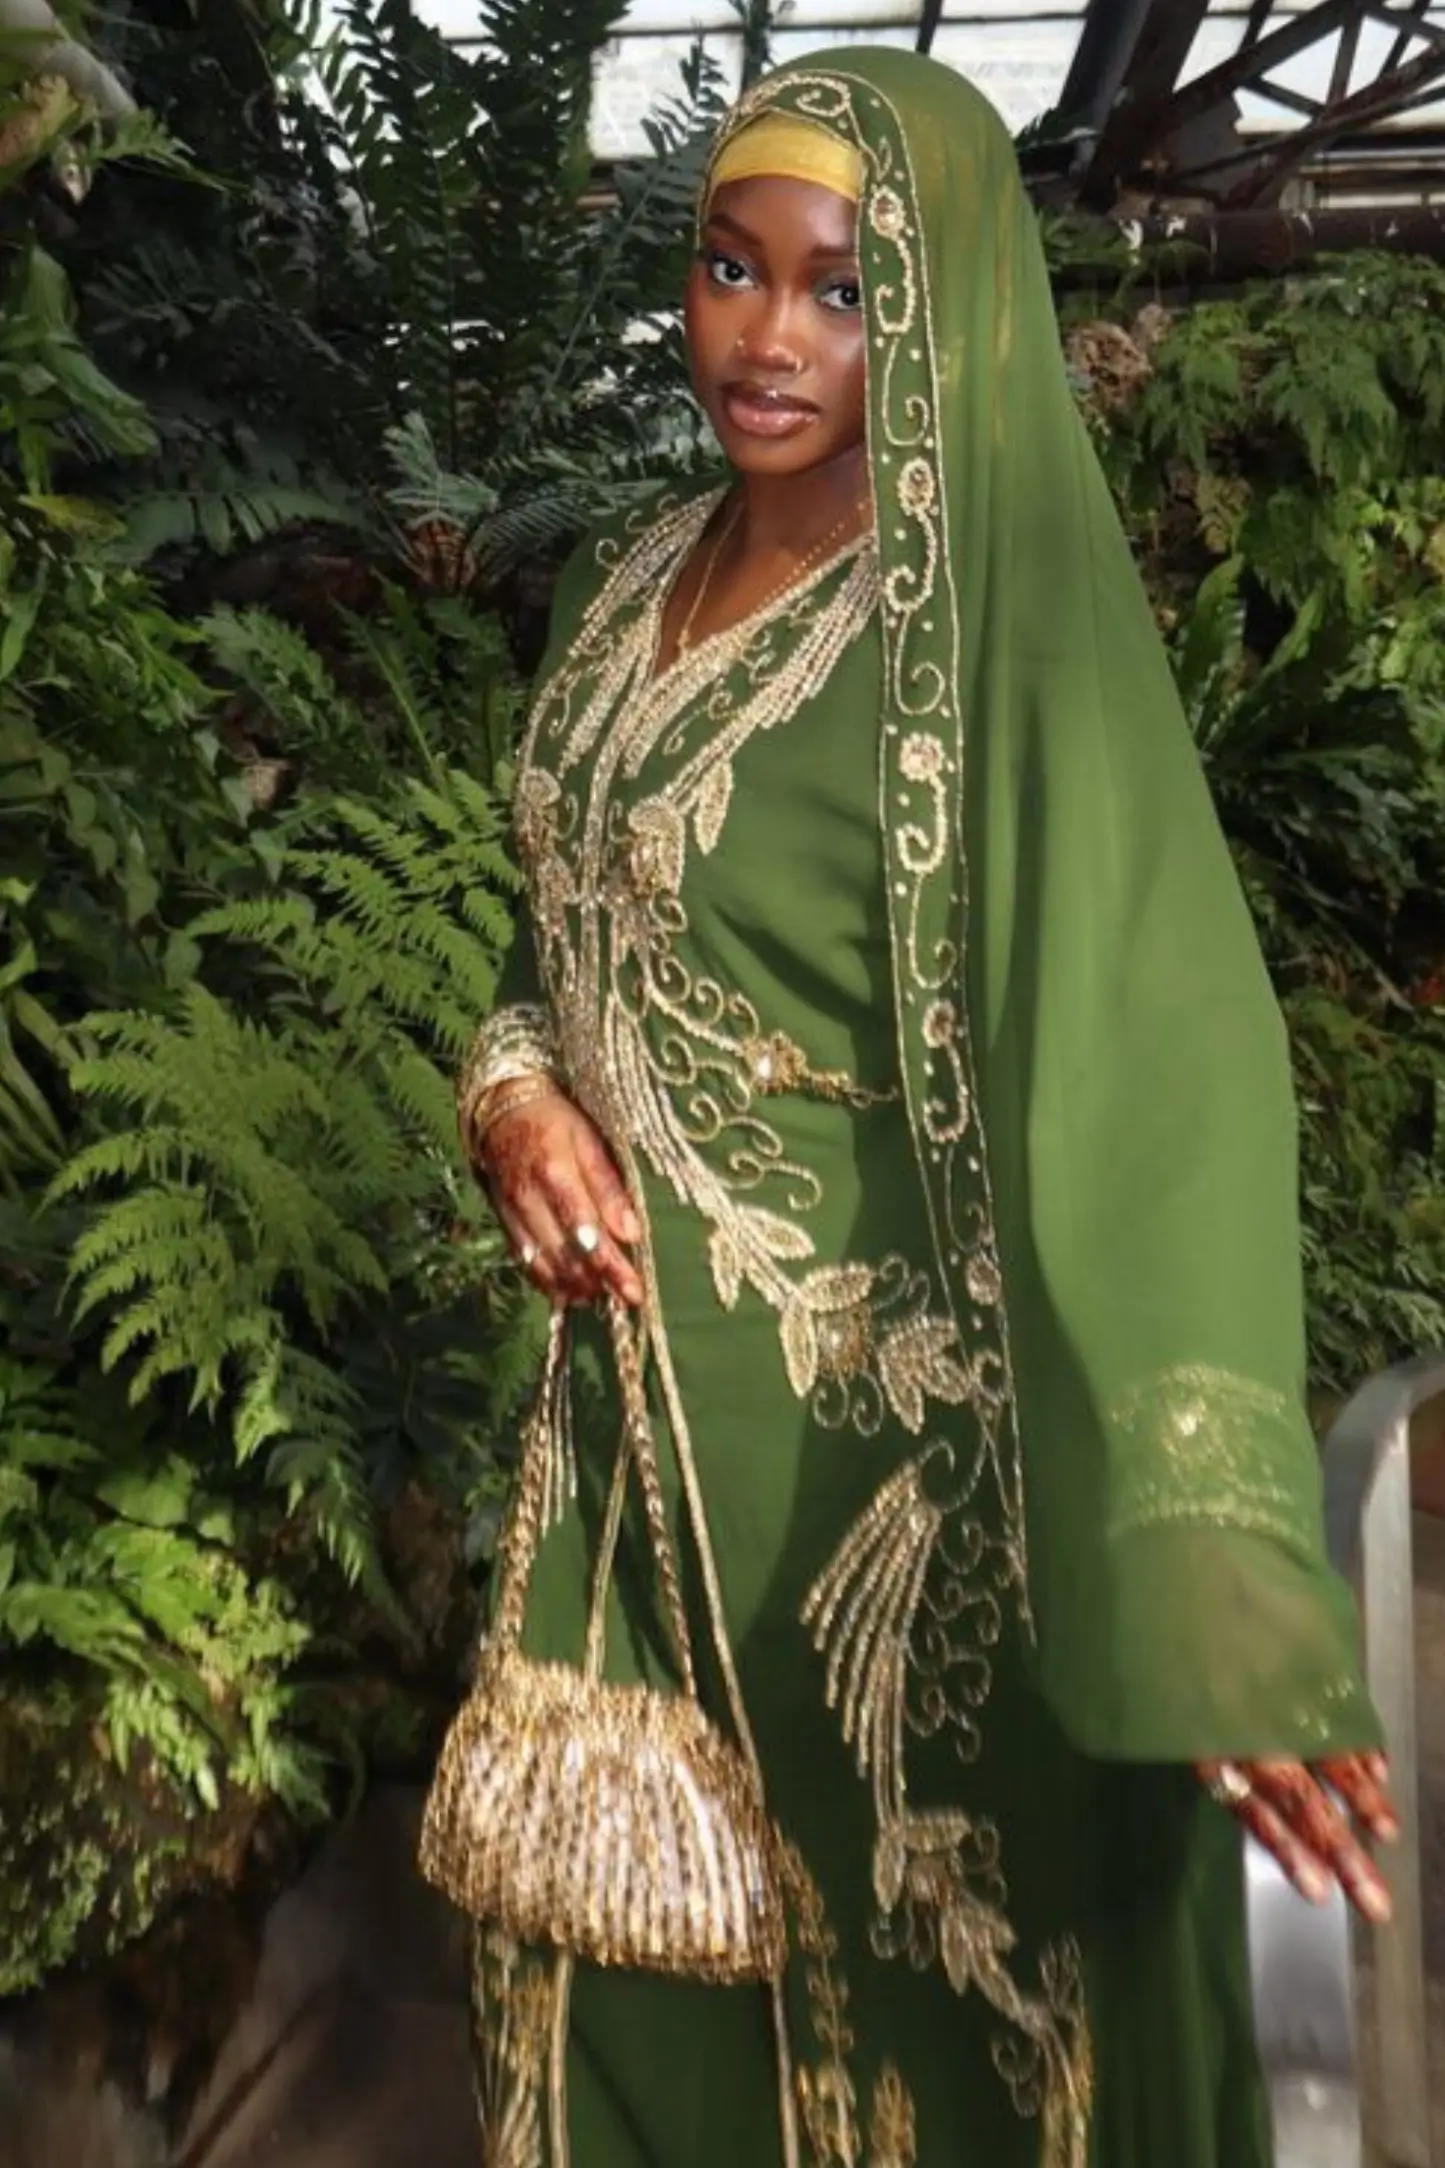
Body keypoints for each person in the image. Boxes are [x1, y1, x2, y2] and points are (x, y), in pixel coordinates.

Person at [449, 47, 1396, 2168]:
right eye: (728, 267)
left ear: (944, 302)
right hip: (617, 1478)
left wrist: (1215, 1575)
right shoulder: (621, 590)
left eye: (841, 287)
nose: (766, 337)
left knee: (911, 2050)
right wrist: (512, 1105)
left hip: (889, 1532)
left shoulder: (989, 644)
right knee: (595, 2018)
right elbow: (560, 948)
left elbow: (1154, 1075)